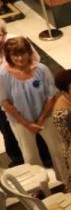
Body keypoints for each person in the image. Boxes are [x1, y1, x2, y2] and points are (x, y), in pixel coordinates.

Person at [0, 36, 55, 166]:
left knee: (57, 151)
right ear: (9, 56)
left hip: (45, 118)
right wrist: (27, 123)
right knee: (30, 157)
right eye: (15, 55)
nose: (20, 58)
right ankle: (39, 185)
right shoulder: (2, 75)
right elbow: (5, 102)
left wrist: (41, 119)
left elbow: (51, 96)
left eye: (22, 53)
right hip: (20, 122)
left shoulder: (42, 69)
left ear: (29, 53)